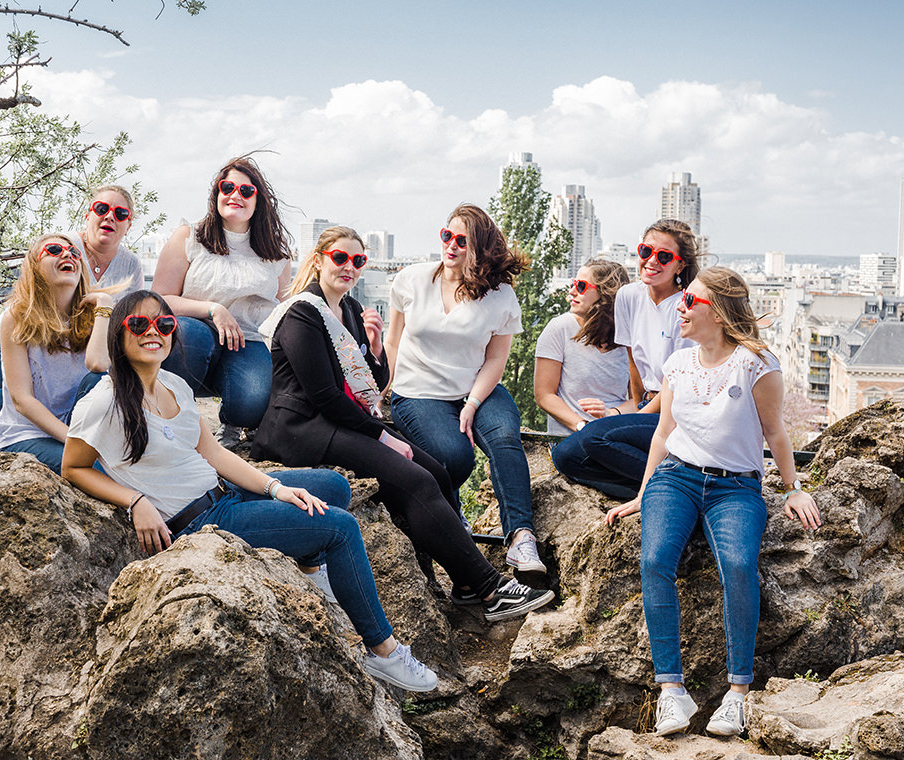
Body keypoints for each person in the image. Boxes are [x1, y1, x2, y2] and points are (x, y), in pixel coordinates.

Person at [61, 289, 439, 692]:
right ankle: (384, 653)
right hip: (200, 523)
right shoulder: (105, 401)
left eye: (163, 323)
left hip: (224, 492)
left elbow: (215, 454)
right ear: (118, 334)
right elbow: (74, 467)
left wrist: (276, 488)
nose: (153, 331)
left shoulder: (173, 385)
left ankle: (311, 565)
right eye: (138, 324)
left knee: (334, 486)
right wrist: (134, 500)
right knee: (340, 529)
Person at [252, 226, 554, 622]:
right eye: (340, 258)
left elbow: (368, 385)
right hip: (299, 430)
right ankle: (490, 590)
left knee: (435, 471)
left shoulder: (348, 311)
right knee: (416, 479)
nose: (350, 268)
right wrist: (383, 436)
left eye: (358, 261)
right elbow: (323, 395)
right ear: (319, 259)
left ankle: (464, 586)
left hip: (336, 422)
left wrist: (376, 350)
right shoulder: (303, 313)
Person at [605, 267, 822, 738]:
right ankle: (671, 691)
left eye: (690, 302)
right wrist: (643, 494)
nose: (680, 308)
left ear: (719, 312)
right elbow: (663, 434)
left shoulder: (756, 363)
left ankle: (738, 694)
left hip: (735, 487)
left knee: (740, 566)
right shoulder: (678, 364)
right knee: (656, 561)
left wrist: (792, 488)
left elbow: (776, 432)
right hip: (675, 479)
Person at [386, 204, 547, 575]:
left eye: (463, 240)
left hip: (477, 385)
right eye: (447, 236)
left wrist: (473, 403)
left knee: (505, 439)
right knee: (454, 457)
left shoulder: (500, 294)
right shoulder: (411, 279)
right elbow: (392, 342)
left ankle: (521, 539)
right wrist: (386, 388)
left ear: (481, 248)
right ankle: (456, 530)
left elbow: (496, 360)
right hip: (418, 392)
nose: (452, 246)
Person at [0, 185, 143, 459]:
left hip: (76, 345)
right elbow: (23, 398)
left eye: (120, 213)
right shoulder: (65, 244)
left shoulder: (130, 266)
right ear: (87, 215)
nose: (110, 217)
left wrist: (105, 311)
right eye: (102, 209)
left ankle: (19, 434)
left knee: (88, 382)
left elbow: (125, 327)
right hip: (6, 348)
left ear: (128, 224)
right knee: (33, 387)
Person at [551, 219, 700, 500]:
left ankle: (679, 484)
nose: (652, 261)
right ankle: (656, 485)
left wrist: (635, 417)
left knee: (595, 437)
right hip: (647, 405)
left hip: (676, 412)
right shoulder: (629, 296)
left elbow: (675, 384)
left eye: (664, 256)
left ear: (680, 266)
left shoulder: (685, 307)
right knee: (565, 456)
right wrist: (635, 410)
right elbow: (634, 367)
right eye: (646, 251)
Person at [152, 155, 291, 439]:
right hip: (194, 333)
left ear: (258, 199)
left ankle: (231, 427)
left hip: (246, 340)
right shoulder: (190, 236)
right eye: (227, 188)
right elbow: (160, 298)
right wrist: (213, 309)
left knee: (252, 401)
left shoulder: (277, 253)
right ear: (216, 193)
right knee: (191, 335)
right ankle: (173, 418)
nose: (235, 195)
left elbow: (281, 313)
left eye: (246, 190)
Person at [0, 233, 114, 473]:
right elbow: (22, 401)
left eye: (75, 253)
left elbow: (97, 366)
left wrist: (105, 306)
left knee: (99, 382)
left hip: (76, 427)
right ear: (34, 267)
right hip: (27, 435)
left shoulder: (93, 317)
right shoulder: (17, 318)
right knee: (100, 470)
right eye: (54, 250)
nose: (68, 254)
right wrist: (74, 440)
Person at [534, 259, 634, 435]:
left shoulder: (629, 338)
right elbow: (544, 395)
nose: (572, 291)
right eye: (573, 283)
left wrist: (611, 414)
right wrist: (583, 426)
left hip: (614, 433)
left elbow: (638, 401)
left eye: (581, 286)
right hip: (571, 438)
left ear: (605, 294)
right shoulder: (559, 329)